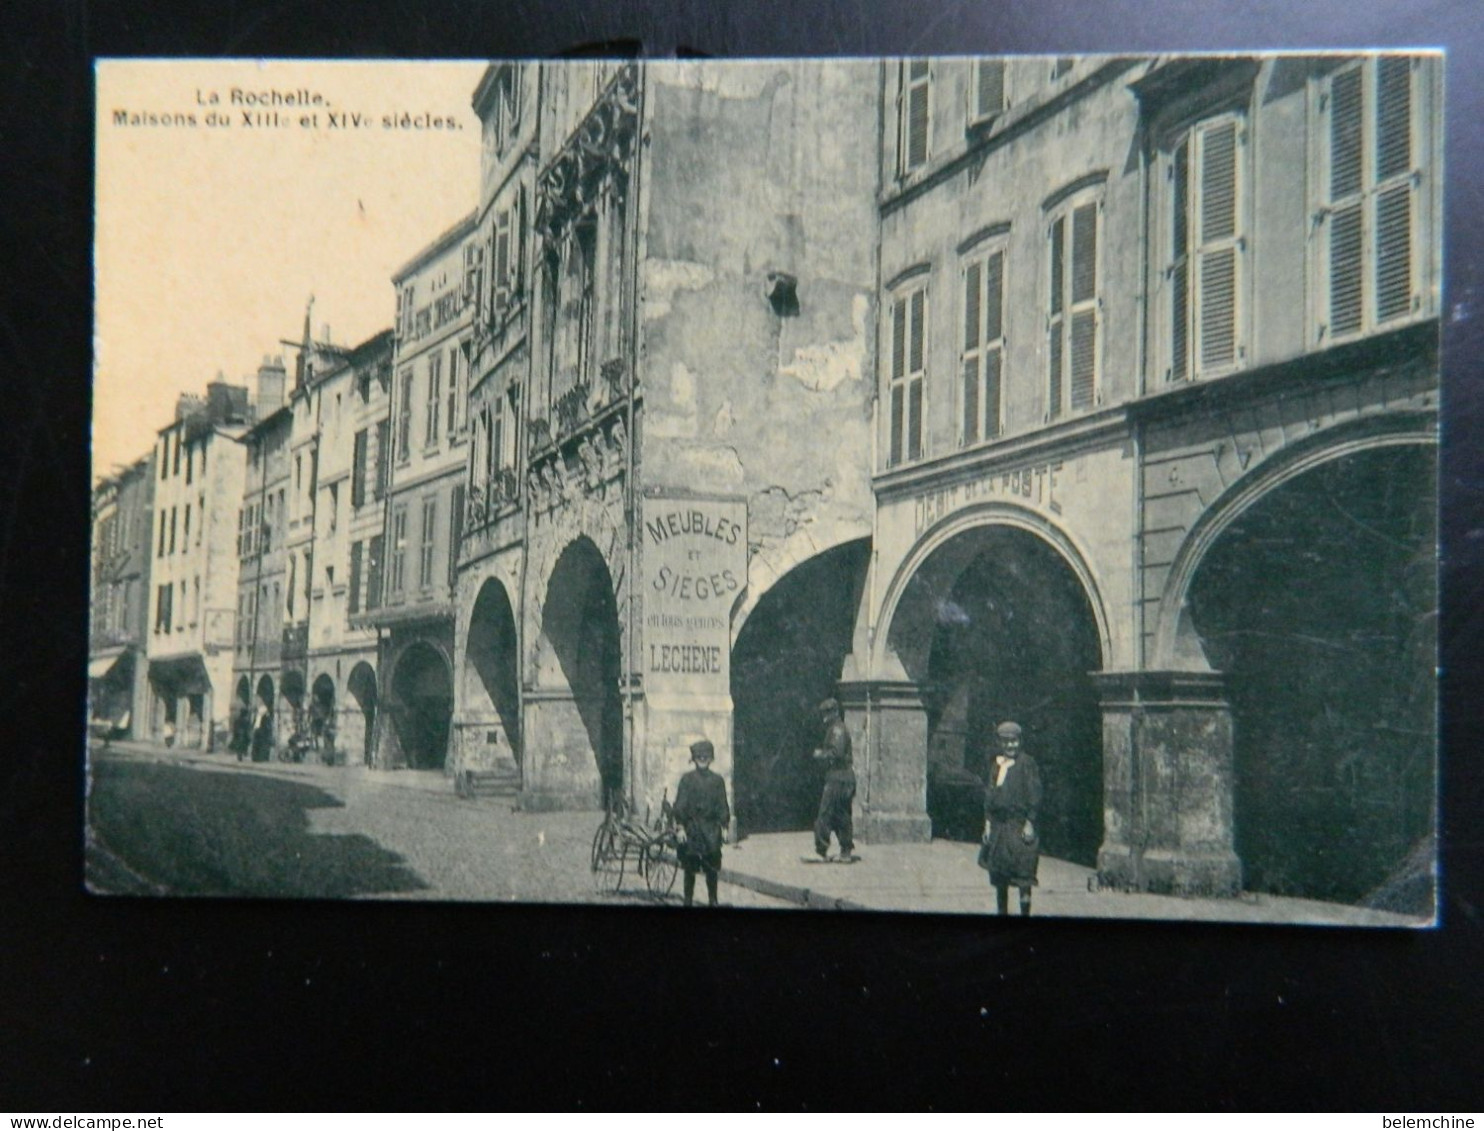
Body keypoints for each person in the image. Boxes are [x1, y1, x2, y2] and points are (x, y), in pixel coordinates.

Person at [982, 721, 1043, 916]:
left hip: (1019, 826)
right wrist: (988, 824)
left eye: (1014, 741)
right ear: (1000, 743)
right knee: (1001, 876)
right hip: (1000, 827)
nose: (1010, 746)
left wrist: (1030, 822)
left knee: (1024, 876)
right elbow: (990, 796)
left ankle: (1025, 914)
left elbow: (1035, 794)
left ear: (1020, 741)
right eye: (1006, 742)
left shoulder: (1027, 763)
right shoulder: (996, 765)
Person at [673, 738, 731, 908]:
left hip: (711, 830)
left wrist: (724, 826)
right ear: (694, 759)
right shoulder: (687, 780)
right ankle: (688, 900)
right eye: (699, 757)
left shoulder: (717, 781)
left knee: (712, 868)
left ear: (711, 759)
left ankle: (713, 900)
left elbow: (722, 805)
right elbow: (680, 806)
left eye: (706, 757)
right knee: (689, 868)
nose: (703, 760)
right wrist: (681, 828)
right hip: (692, 830)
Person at [811, 698, 857, 863]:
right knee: (842, 815)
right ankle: (846, 851)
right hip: (845, 778)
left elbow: (836, 753)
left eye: (826, 713)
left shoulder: (837, 729)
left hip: (837, 778)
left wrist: (820, 754)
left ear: (833, 713)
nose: (824, 717)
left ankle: (821, 850)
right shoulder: (838, 727)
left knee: (825, 812)